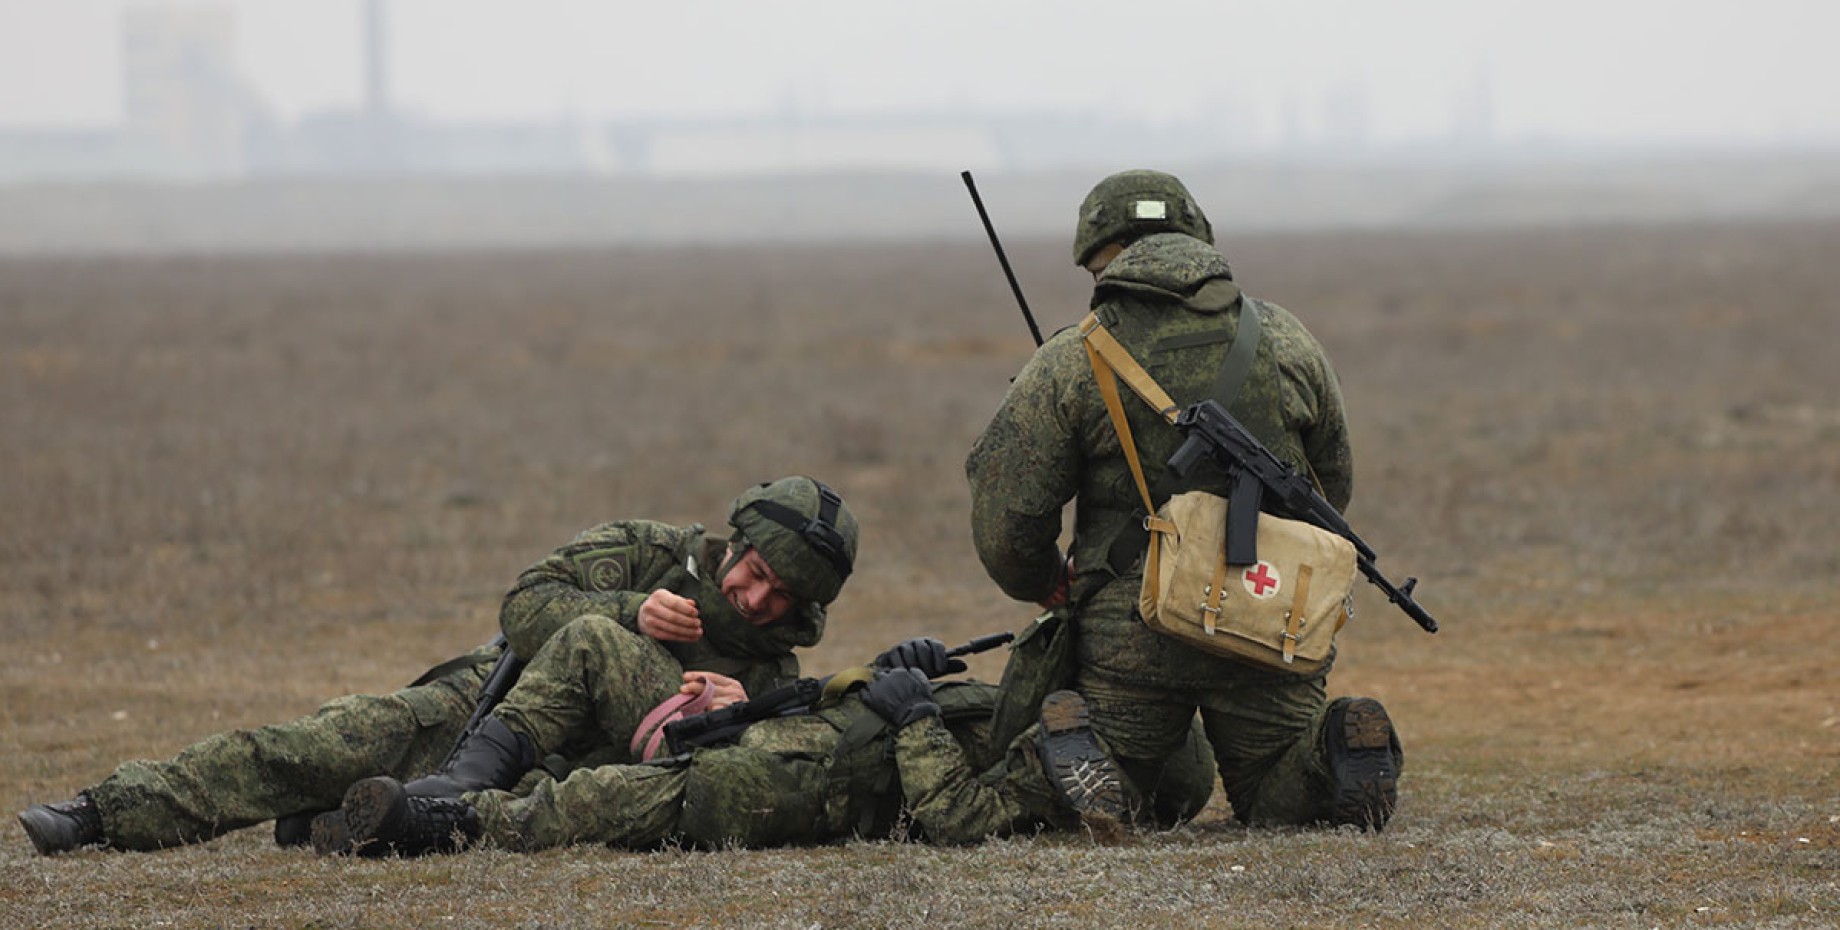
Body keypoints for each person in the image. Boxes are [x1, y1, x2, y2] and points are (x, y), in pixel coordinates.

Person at [16, 476, 859, 855]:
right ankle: (102, 814)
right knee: (313, 746)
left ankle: (331, 826)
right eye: (754, 574)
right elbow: (523, 605)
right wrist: (622, 612)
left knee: (450, 821)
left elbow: (727, 776)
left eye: (781, 596)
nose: (756, 600)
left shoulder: (773, 670)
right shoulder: (647, 552)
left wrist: (737, 705)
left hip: (549, 777)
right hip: (479, 708)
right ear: (735, 543)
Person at [965, 169, 1404, 830]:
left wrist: (1045, 582)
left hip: (1134, 629)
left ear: (1099, 260)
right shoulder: (1285, 339)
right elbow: (1330, 486)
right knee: (1283, 790)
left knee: (1113, 792)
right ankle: (1333, 747)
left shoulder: (1070, 360)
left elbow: (1007, 523)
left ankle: (1093, 760)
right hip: (1268, 614)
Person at [318, 628, 1214, 857]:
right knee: (607, 773)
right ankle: (366, 816)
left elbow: (958, 818)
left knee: (619, 803)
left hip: (823, 785)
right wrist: (909, 672)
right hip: (816, 737)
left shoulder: (1081, 778)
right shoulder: (1057, 724)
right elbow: (943, 711)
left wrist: (919, 721)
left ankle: (440, 828)